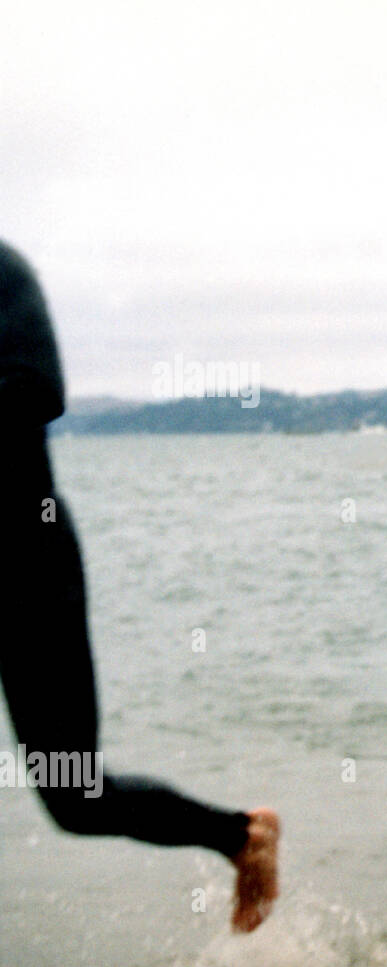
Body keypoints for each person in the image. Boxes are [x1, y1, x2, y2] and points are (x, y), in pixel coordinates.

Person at [0, 240, 279, 931]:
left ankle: (240, 837)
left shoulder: (4, 272)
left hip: (24, 559)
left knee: (75, 795)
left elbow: (38, 388)